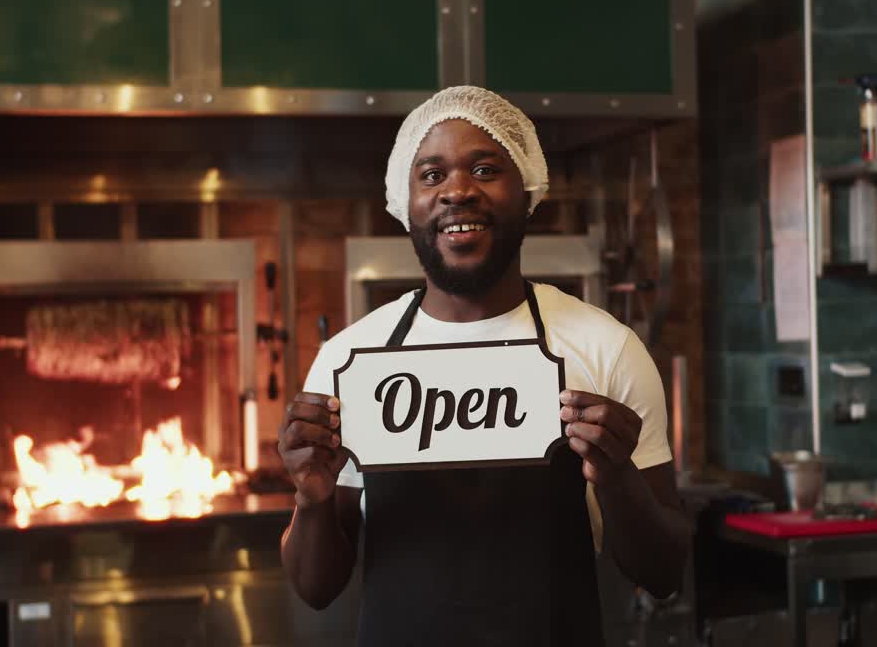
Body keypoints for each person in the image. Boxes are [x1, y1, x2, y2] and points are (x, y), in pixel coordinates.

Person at [278, 85, 692, 646]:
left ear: (527, 191)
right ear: (406, 204)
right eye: (431, 174)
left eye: (485, 168)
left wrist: (618, 479)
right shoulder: (352, 362)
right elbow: (315, 586)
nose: (457, 191)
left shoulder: (605, 348)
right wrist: (312, 497)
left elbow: (664, 573)